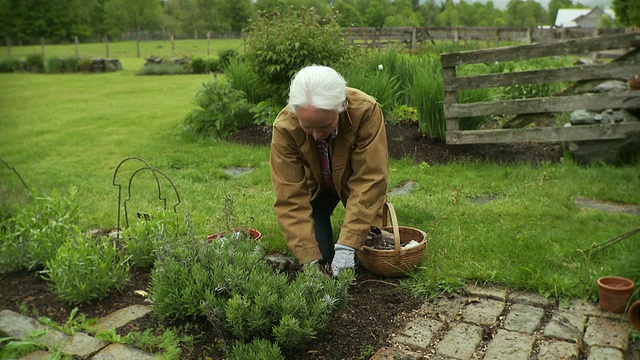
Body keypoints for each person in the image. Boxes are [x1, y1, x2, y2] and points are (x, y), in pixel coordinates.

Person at [269, 65, 389, 276]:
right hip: (316, 192)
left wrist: (348, 244)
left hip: (354, 186)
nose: (316, 135)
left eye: (324, 126)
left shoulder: (365, 112)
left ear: (341, 107)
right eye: (307, 127)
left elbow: (370, 178)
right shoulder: (285, 127)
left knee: (369, 256)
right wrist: (308, 258)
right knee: (320, 254)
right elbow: (290, 196)